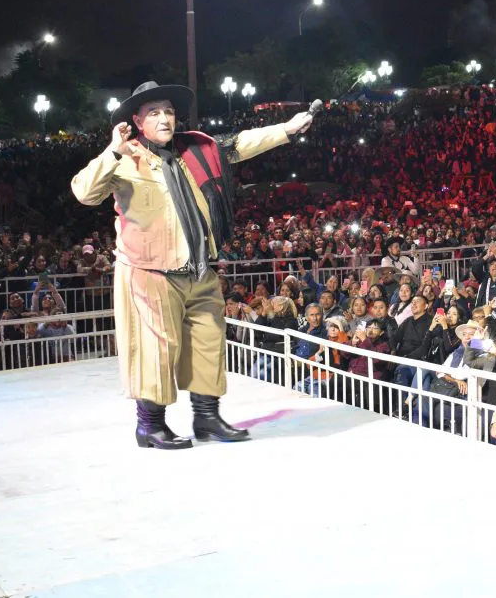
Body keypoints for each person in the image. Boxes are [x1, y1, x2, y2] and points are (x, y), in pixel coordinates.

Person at [72, 81, 314, 449]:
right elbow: (84, 192)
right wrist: (113, 151)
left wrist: (287, 128)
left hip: (198, 269)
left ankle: (206, 417)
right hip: (149, 273)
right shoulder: (126, 157)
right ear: (137, 120)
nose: (164, 118)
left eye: (168, 111)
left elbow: (240, 144)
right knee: (155, 350)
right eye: (153, 112)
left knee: (208, 344)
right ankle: (150, 425)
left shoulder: (195, 151)